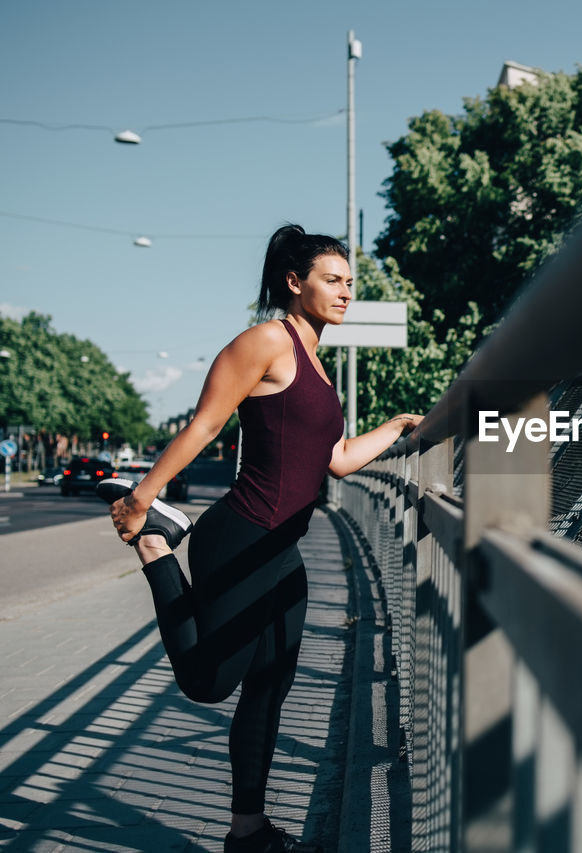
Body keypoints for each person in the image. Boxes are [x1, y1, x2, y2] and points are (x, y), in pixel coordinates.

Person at [99, 224, 422, 853]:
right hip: (242, 534)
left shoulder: (320, 367)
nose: (346, 292)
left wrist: (401, 425)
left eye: (350, 283)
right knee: (209, 682)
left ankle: (247, 829)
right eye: (333, 280)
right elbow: (205, 423)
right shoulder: (267, 342)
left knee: (270, 684)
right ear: (294, 282)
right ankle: (157, 550)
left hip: (283, 547)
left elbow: (337, 459)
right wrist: (142, 498)